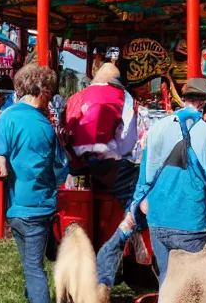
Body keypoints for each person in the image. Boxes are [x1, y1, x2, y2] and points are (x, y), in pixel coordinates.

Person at [128, 78, 206, 285]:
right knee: (191, 283)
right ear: (203, 103)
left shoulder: (156, 129)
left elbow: (145, 178)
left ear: (183, 99)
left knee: (167, 277)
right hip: (190, 221)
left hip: (158, 220)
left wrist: (137, 207)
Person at [62, 63, 147, 293]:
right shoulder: (121, 96)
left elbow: (65, 129)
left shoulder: (75, 97)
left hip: (77, 166)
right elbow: (128, 137)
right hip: (108, 164)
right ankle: (119, 261)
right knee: (140, 199)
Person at [0, 63, 68, 303]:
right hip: (41, 207)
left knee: (30, 267)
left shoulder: (7, 119)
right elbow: (61, 169)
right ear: (41, 90)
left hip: (16, 207)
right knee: (34, 268)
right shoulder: (46, 126)